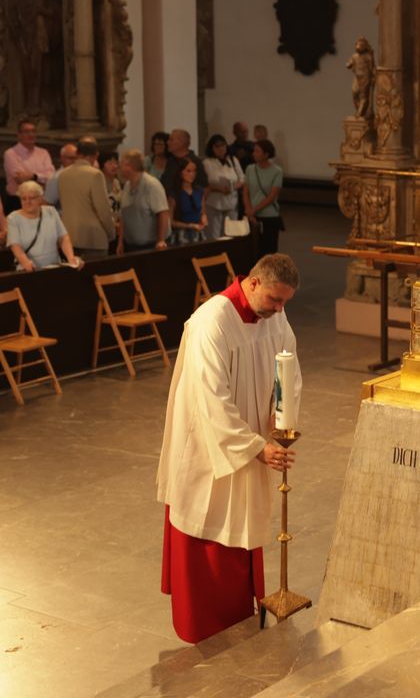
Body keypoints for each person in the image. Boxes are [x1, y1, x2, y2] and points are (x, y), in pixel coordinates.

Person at [156, 253, 300, 644]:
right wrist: (255, 447)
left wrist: (280, 421)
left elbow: (288, 371)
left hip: (251, 441)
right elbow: (210, 398)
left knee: (243, 523)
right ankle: (202, 622)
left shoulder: (274, 317)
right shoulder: (211, 321)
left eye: (285, 302)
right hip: (208, 448)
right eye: (274, 299)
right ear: (252, 283)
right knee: (209, 522)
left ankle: (238, 613)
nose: (278, 309)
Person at [53, 137, 115, 258]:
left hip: (68, 236)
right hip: (92, 238)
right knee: (95, 276)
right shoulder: (95, 174)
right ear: (96, 154)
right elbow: (103, 210)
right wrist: (111, 233)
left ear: (77, 153)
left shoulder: (62, 175)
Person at [7, 180, 81, 271]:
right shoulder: (13, 218)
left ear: (40, 198)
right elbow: (15, 246)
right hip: (29, 270)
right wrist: (25, 262)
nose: (27, 202)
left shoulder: (51, 211)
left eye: (31, 198)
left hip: (54, 267)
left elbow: (63, 237)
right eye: (23, 199)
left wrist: (71, 257)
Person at [118, 148, 170, 253]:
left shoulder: (152, 185)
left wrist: (160, 241)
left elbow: (163, 213)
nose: (119, 168)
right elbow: (123, 216)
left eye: (121, 165)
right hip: (131, 246)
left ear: (129, 166)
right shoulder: (127, 185)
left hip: (151, 246)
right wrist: (120, 242)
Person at [3, 119, 55, 212]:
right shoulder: (11, 153)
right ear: (18, 135)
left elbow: (51, 177)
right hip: (18, 202)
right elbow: (20, 179)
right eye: (27, 132)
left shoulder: (43, 153)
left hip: (41, 200)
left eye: (33, 131)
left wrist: (33, 176)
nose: (31, 135)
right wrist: (41, 179)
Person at [243, 139, 283, 256]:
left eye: (257, 151)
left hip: (269, 216)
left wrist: (253, 210)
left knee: (268, 250)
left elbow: (272, 196)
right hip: (251, 216)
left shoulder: (277, 171)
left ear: (266, 154)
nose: (254, 153)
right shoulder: (250, 169)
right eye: (254, 151)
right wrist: (249, 210)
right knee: (251, 250)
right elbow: (246, 191)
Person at [202, 134, 245, 240]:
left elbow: (242, 178)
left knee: (230, 234)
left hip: (231, 203)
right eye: (217, 146)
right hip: (214, 203)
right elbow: (204, 183)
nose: (221, 149)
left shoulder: (233, 160)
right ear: (212, 148)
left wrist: (233, 187)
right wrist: (218, 188)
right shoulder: (207, 163)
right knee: (214, 235)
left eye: (223, 146)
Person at [169, 158, 207, 244]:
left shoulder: (199, 191)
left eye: (194, 171)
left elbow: (203, 212)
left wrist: (204, 219)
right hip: (181, 235)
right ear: (180, 172)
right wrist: (189, 226)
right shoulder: (174, 194)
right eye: (188, 171)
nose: (192, 174)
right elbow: (170, 222)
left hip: (198, 233)